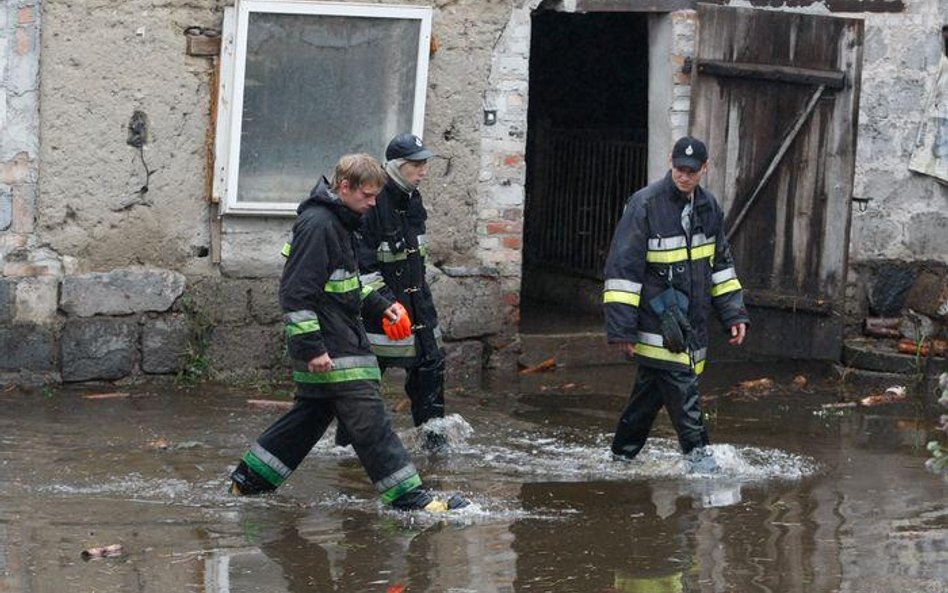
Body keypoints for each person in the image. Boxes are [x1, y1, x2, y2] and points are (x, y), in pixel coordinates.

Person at [229, 153, 466, 512]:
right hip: (333, 347)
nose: (373, 204)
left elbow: (346, 284)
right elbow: (296, 294)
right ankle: (409, 498)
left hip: (340, 338)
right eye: (367, 196)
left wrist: (382, 305)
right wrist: (312, 349)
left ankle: (249, 481)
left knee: (308, 419)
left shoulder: (342, 222)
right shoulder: (319, 226)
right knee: (371, 420)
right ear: (344, 187)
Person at [602, 136, 749, 467]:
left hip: (690, 321)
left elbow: (721, 266)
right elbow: (622, 271)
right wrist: (622, 330)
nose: (684, 176)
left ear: (704, 169)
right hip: (659, 323)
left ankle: (620, 457)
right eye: (680, 169)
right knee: (684, 395)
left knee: (648, 396)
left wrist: (734, 314)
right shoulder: (644, 205)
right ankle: (703, 464)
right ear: (670, 164)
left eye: (692, 171)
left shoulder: (709, 207)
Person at [335, 133, 448, 452]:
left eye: (425, 164)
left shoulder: (413, 200)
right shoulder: (372, 203)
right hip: (380, 312)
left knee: (432, 369)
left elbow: (415, 259)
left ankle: (435, 446)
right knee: (365, 385)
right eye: (416, 165)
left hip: (418, 306)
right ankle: (346, 450)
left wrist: (419, 305)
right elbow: (363, 265)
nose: (423, 171)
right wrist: (385, 306)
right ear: (398, 167)